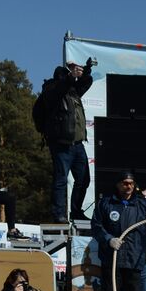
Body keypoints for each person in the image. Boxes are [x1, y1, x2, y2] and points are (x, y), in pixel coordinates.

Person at [37, 58, 94, 223]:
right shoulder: (51, 88)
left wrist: (87, 70)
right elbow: (58, 90)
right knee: (61, 180)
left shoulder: (73, 91)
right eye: (68, 72)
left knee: (84, 179)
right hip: (61, 144)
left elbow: (84, 84)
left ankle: (76, 211)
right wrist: (69, 77)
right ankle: (59, 214)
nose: (73, 74)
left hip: (77, 144)